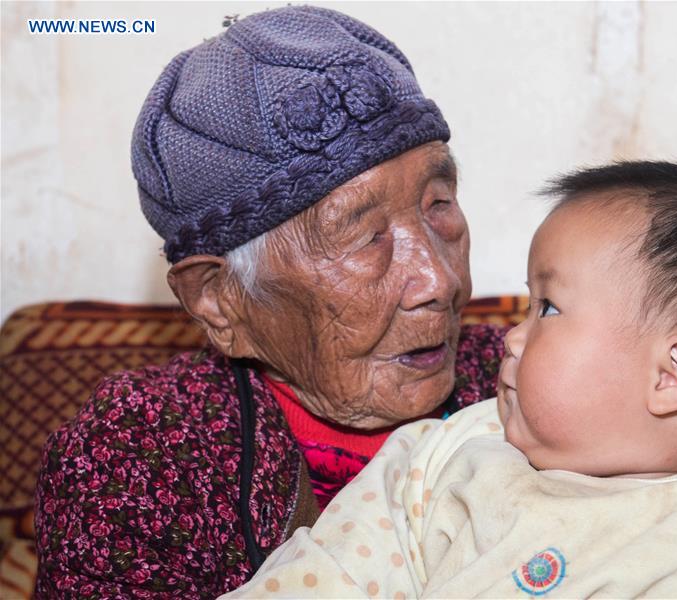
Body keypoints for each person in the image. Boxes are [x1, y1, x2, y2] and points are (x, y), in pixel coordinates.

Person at [222, 162, 677, 599]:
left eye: (547, 309)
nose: (511, 337)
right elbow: (327, 574)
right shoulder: (447, 455)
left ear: (670, 376)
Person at [33, 6, 507, 598]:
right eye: (366, 236)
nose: (438, 279)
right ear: (219, 300)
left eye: (439, 203)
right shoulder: (142, 454)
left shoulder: (524, 380)